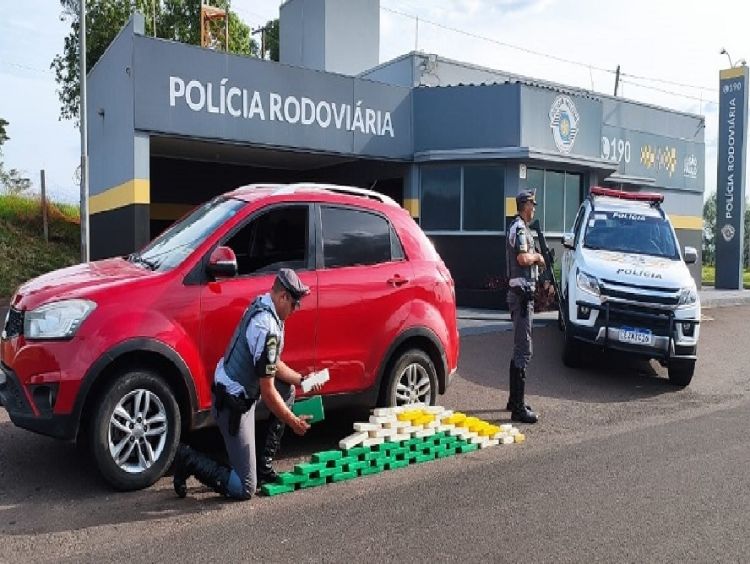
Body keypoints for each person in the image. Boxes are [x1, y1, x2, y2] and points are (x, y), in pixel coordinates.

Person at [173, 268, 320, 500]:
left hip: (242, 391)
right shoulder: (267, 327)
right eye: (295, 304)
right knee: (245, 488)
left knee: (288, 390)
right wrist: (293, 422)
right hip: (232, 404)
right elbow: (268, 391)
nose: (295, 310)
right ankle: (188, 459)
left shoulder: (264, 303)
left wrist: (301, 380)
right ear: (283, 297)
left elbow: (271, 364)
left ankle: (263, 466)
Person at [505, 190, 545, 424]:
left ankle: (514, 400)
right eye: (533, 204)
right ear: (525, 205)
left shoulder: (519, 227)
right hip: (521, 297)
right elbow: (521, 259)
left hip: (521, 296)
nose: (535, 208)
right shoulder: (519, 228)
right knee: (524, 350)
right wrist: (538, 257)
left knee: (520, 348)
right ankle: (518, 408)